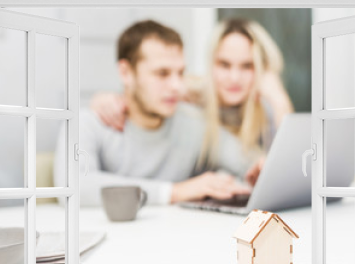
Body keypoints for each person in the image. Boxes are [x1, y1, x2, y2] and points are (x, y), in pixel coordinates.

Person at [54, 20, 263, 207]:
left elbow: (251, 166)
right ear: (125, 73)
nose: (177, 86)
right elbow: (72, 187)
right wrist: (175, 192)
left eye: (180, 73)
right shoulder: (87, 123)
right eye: (162, 73)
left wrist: (253, 172)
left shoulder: (192, 124)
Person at [90, 18, 294, 165]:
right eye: (224, 64)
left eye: (247, 66)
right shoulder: (188, 94)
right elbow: (142, 92)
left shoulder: (268, 111)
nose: (234, 78)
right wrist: (105, 99)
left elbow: (291, 169)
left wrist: (279, 99)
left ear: (261, 70)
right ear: (210, 65)